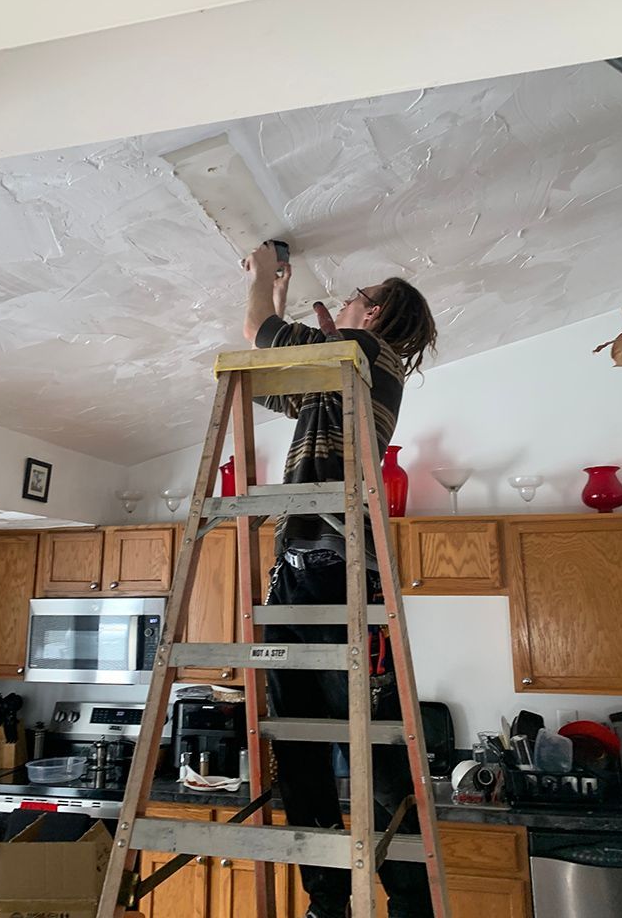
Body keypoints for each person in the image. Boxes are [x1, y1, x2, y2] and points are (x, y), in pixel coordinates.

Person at [242, 241, 438, 918]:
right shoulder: (351, 369)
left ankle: (371, 899)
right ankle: (347, 899)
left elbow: (259, 338)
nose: (350, 298)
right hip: (317, 561)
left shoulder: (363, 350)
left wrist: (263, 273)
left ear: (374, 312)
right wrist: (291, 304)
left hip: (329, 560)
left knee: (341, 740)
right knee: (313, 737)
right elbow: (283, 376)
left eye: (359, 294)